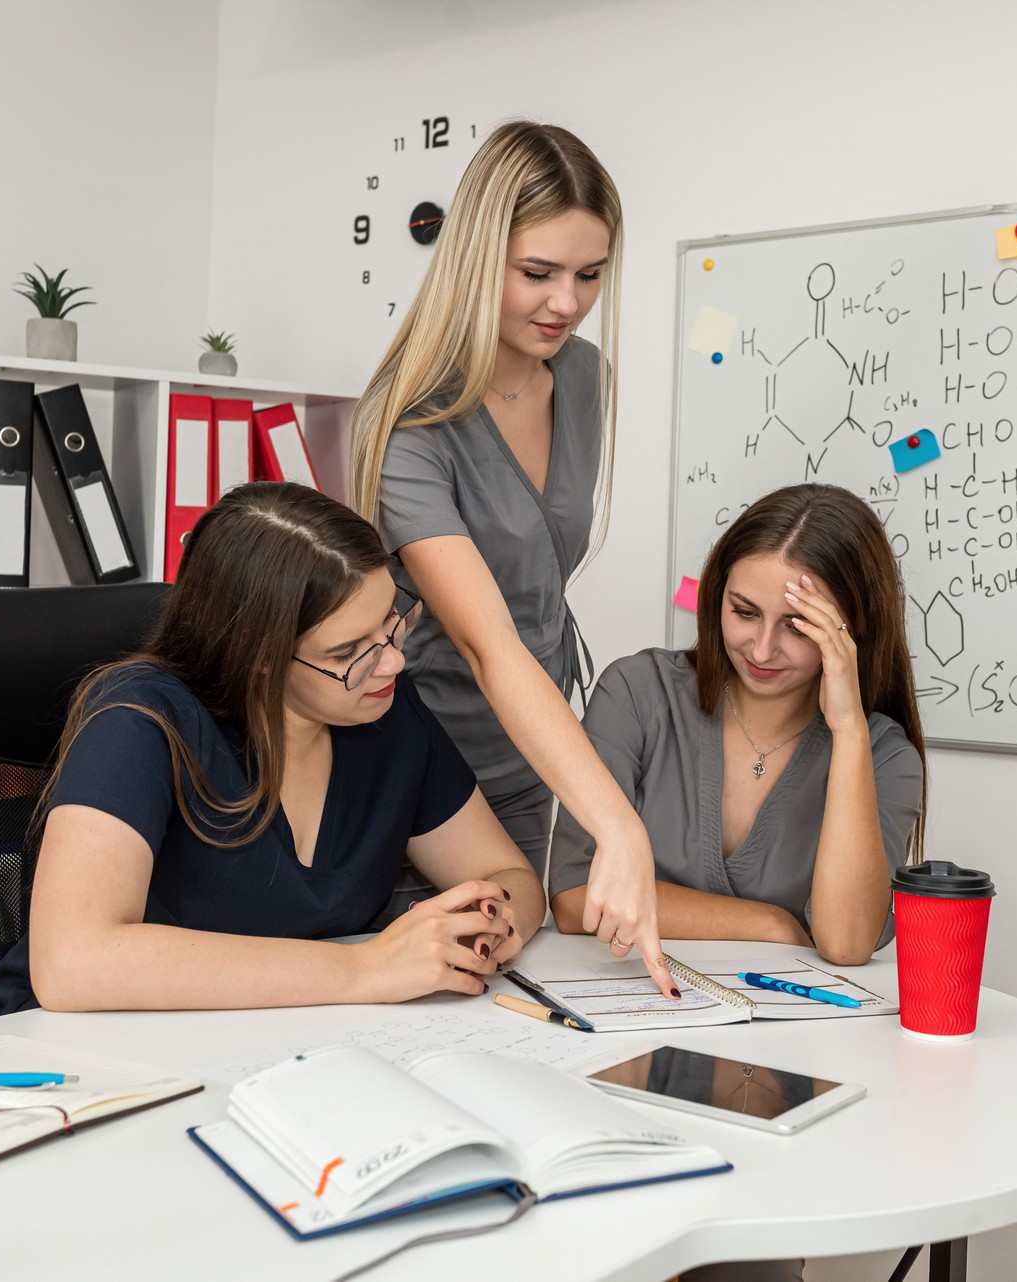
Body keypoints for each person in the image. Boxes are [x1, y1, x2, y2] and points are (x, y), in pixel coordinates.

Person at [0, 482, 543, 1013]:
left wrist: (491, 922)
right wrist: (365, 969)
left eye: (391, 623)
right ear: (259, 656)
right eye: (349, 650)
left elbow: (507, 874)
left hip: (281, 1049)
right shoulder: (139, 721)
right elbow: (71, 963)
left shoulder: (386, 712)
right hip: (95, 1064)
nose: (392, 660)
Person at [348, 119, 674, 993]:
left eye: (590, 275)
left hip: (530, 764)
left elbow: (540, 592)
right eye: (537, 273)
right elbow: (491, 645)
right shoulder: (409, 425)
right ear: (476, 259)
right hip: (418, 777)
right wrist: (619, 824)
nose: (565, 302)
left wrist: (585, 797)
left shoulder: (585, 377)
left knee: (508, 1000)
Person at [547, 484, 926, 966]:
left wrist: (849, 729)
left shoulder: (884, 755)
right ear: (717, 598)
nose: (762, 649)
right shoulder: (637, 693)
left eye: (797, 625)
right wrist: (770, 924)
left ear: (853, 629)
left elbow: (847, 943)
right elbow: (574, 895)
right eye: (744, 613)